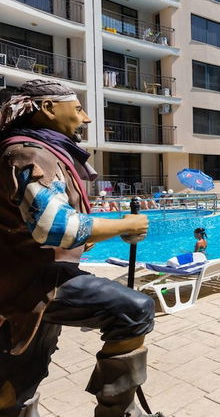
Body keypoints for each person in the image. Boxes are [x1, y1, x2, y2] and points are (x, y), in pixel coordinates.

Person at [0, 80, 159, 416]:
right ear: (47, 109)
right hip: (33, 282)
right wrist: (125, 225)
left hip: (32, 282)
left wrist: (110, 232)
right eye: (78, 109)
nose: (85, 118)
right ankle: (118, 410)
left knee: (20, 379)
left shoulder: (41, 151)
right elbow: (54, 228)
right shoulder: (27, 154)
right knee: (133, 309)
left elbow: (68, 236)